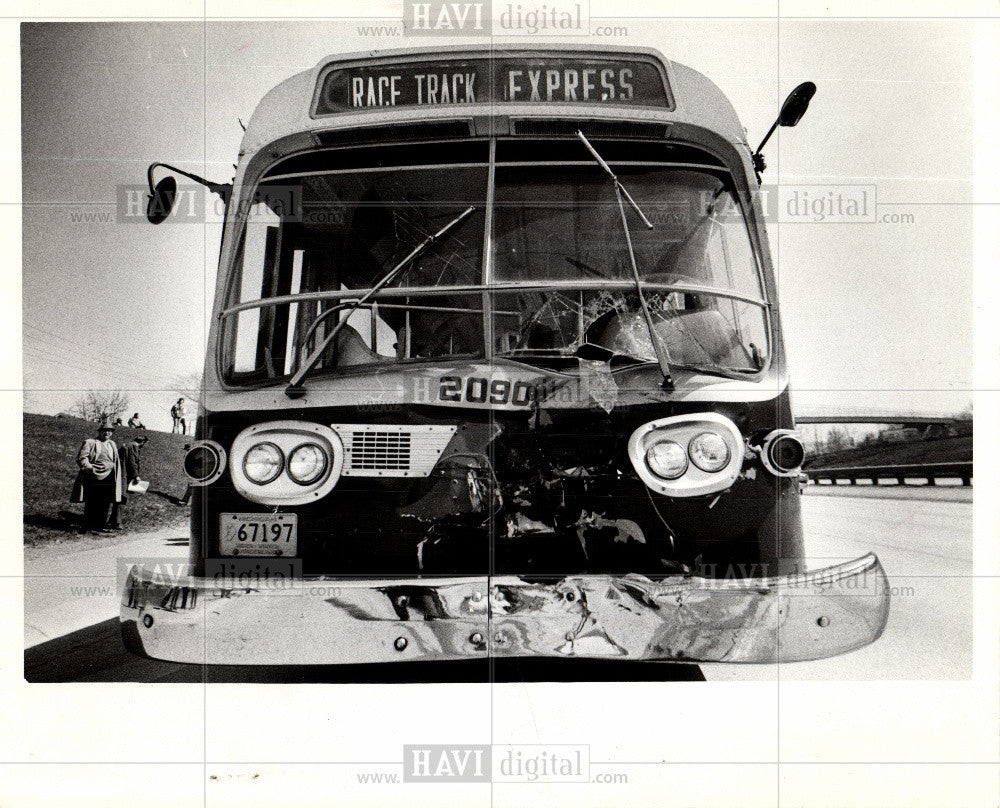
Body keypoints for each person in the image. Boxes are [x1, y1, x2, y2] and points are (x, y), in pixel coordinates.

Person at [70, 417, 125, 532]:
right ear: (99, 432)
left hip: (109, 477)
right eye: (104, 431)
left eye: (109, 431)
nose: (107, 433)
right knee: (93, 501)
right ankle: (89, 525)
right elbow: (81, 458)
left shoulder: (112, 444)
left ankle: (100, 526)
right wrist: (89, 468)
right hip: (93, 477)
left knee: (105, 502)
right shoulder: (90, 442)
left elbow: (115, 460)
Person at [115, 435, 149, 527]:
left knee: (120, 497)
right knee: (123, 497)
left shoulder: (128, 445)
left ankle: (114, 520)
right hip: (125, 475)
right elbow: (132, 462)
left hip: (121, 474)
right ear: (142, 442)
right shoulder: (133, 446)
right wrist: (136, 476)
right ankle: (117, 522)